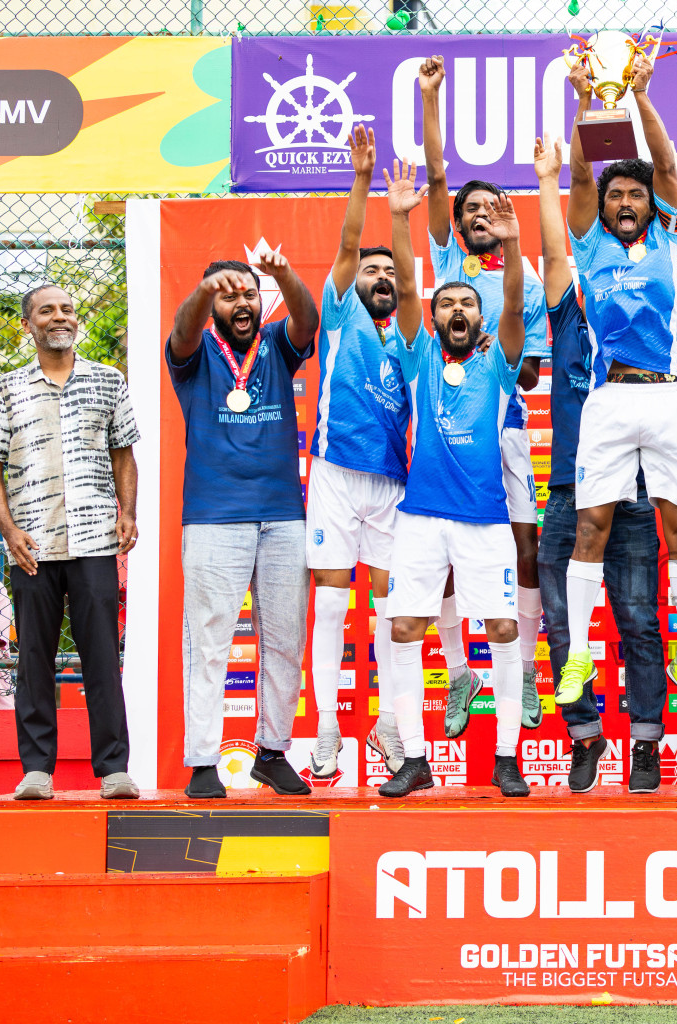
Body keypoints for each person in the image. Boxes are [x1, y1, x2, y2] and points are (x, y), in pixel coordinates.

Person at [556, 51, 677, 719]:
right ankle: (579, 653)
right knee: (592, 527)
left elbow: (671, 169)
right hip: (610, 398)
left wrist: (642, 96)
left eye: (634, 194)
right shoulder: (590, 247)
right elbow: (582, 172)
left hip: (667, 394)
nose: (623, 201)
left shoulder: (672, 241)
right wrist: (586, 102)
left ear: (650, 204)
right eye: (617, 194)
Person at [379, 189, 529, 798]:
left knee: (504, 631)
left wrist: (515, 244)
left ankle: (506, 759)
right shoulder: (417, 357)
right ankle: (415, 759)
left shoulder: (500, 361)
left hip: (485, 521)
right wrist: (396, 217)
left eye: (468, 302)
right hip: (419, 518)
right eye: (449, 304)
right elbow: (410, 293)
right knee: (405, 628)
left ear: (482, 318)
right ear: (436, 318)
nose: (458, 309)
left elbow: (516, 300)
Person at [532, 137, 669, 795]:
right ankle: (585, 738)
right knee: (564, 626)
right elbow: (560, 245)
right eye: (612, 197)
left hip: (637, 487)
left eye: (632, 196)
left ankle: (646, 744)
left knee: (639, 619)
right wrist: (549, 178)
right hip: (568, 490)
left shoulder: (646, 329)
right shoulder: (568, 310)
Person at [418, 56, 548, 737]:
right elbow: (438, 177)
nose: (473, 216)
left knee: (524, 541)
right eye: (465, 211)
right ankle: (459, 673)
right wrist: (429, 99)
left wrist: (509, 357)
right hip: (443, 429)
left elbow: (528, 375)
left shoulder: (521, 272)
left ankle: (522, 672)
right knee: (436, 552)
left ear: (501, 217)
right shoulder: (448, 266)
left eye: (485, 209)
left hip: (505, 427)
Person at [167, 250, 317, 799]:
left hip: (282, 515)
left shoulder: (277, 345)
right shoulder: (193, 349)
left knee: (284, 640)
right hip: (214, 516)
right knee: (208, 642)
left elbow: (307, 320)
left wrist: (280, 274)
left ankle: (273, 752)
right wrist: (207, 289)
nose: (241, 302)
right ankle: (204, 762)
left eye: (248, 294)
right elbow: (183, 329)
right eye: (228, 295)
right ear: (212, 305)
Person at [0, 285, 140, 800]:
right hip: (32, 544)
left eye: (66, 309)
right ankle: (36, 770)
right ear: (27, 325)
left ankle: (113, 769)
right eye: (46, 311)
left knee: (102, 653)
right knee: (33, 657)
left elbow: (124, 453)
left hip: (95, 539)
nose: (59, 317)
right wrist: (10, 531)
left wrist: (129, 512)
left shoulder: (108, 381)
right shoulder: (6, 388)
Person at [304, 129, 415, 780]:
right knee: (329, 600)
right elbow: (350, 244)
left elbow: (406, 277)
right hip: (336, 475)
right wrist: (363, 181)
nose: (379, 277)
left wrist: (402, 235)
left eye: (388, 273)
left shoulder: (407, 338)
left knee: (390, 607)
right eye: (371, 271)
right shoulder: (341, 315)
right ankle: (325, 726)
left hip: (391, 484)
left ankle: (389, 723)